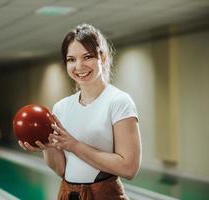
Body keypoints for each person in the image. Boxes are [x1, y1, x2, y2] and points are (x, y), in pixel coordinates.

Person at [18, 24, 141, 200]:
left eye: (87, 57)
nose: (79, 66)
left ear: (103, 57)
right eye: (71, 59)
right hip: (68, 194)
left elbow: (129, 168)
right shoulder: (61, 107)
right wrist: (48, 147)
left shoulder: (119, 102)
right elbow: (62, 169)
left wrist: (74, 145)